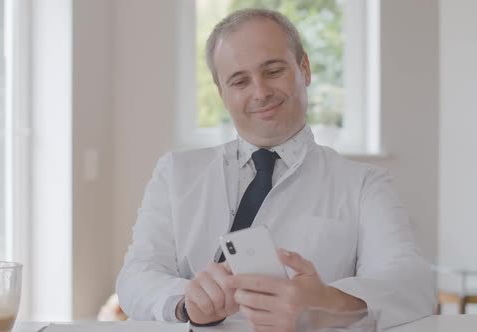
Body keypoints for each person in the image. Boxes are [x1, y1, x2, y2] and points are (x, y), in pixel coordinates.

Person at [116, 8, 435, 331]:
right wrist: (188, 301)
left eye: (273, 71)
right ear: (222, 94)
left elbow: (413, 282)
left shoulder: (364, 183)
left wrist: (330, 302)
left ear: (304, 69)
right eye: (240, 80)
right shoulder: (175, 173)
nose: (260, 92)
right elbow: (136, 276)